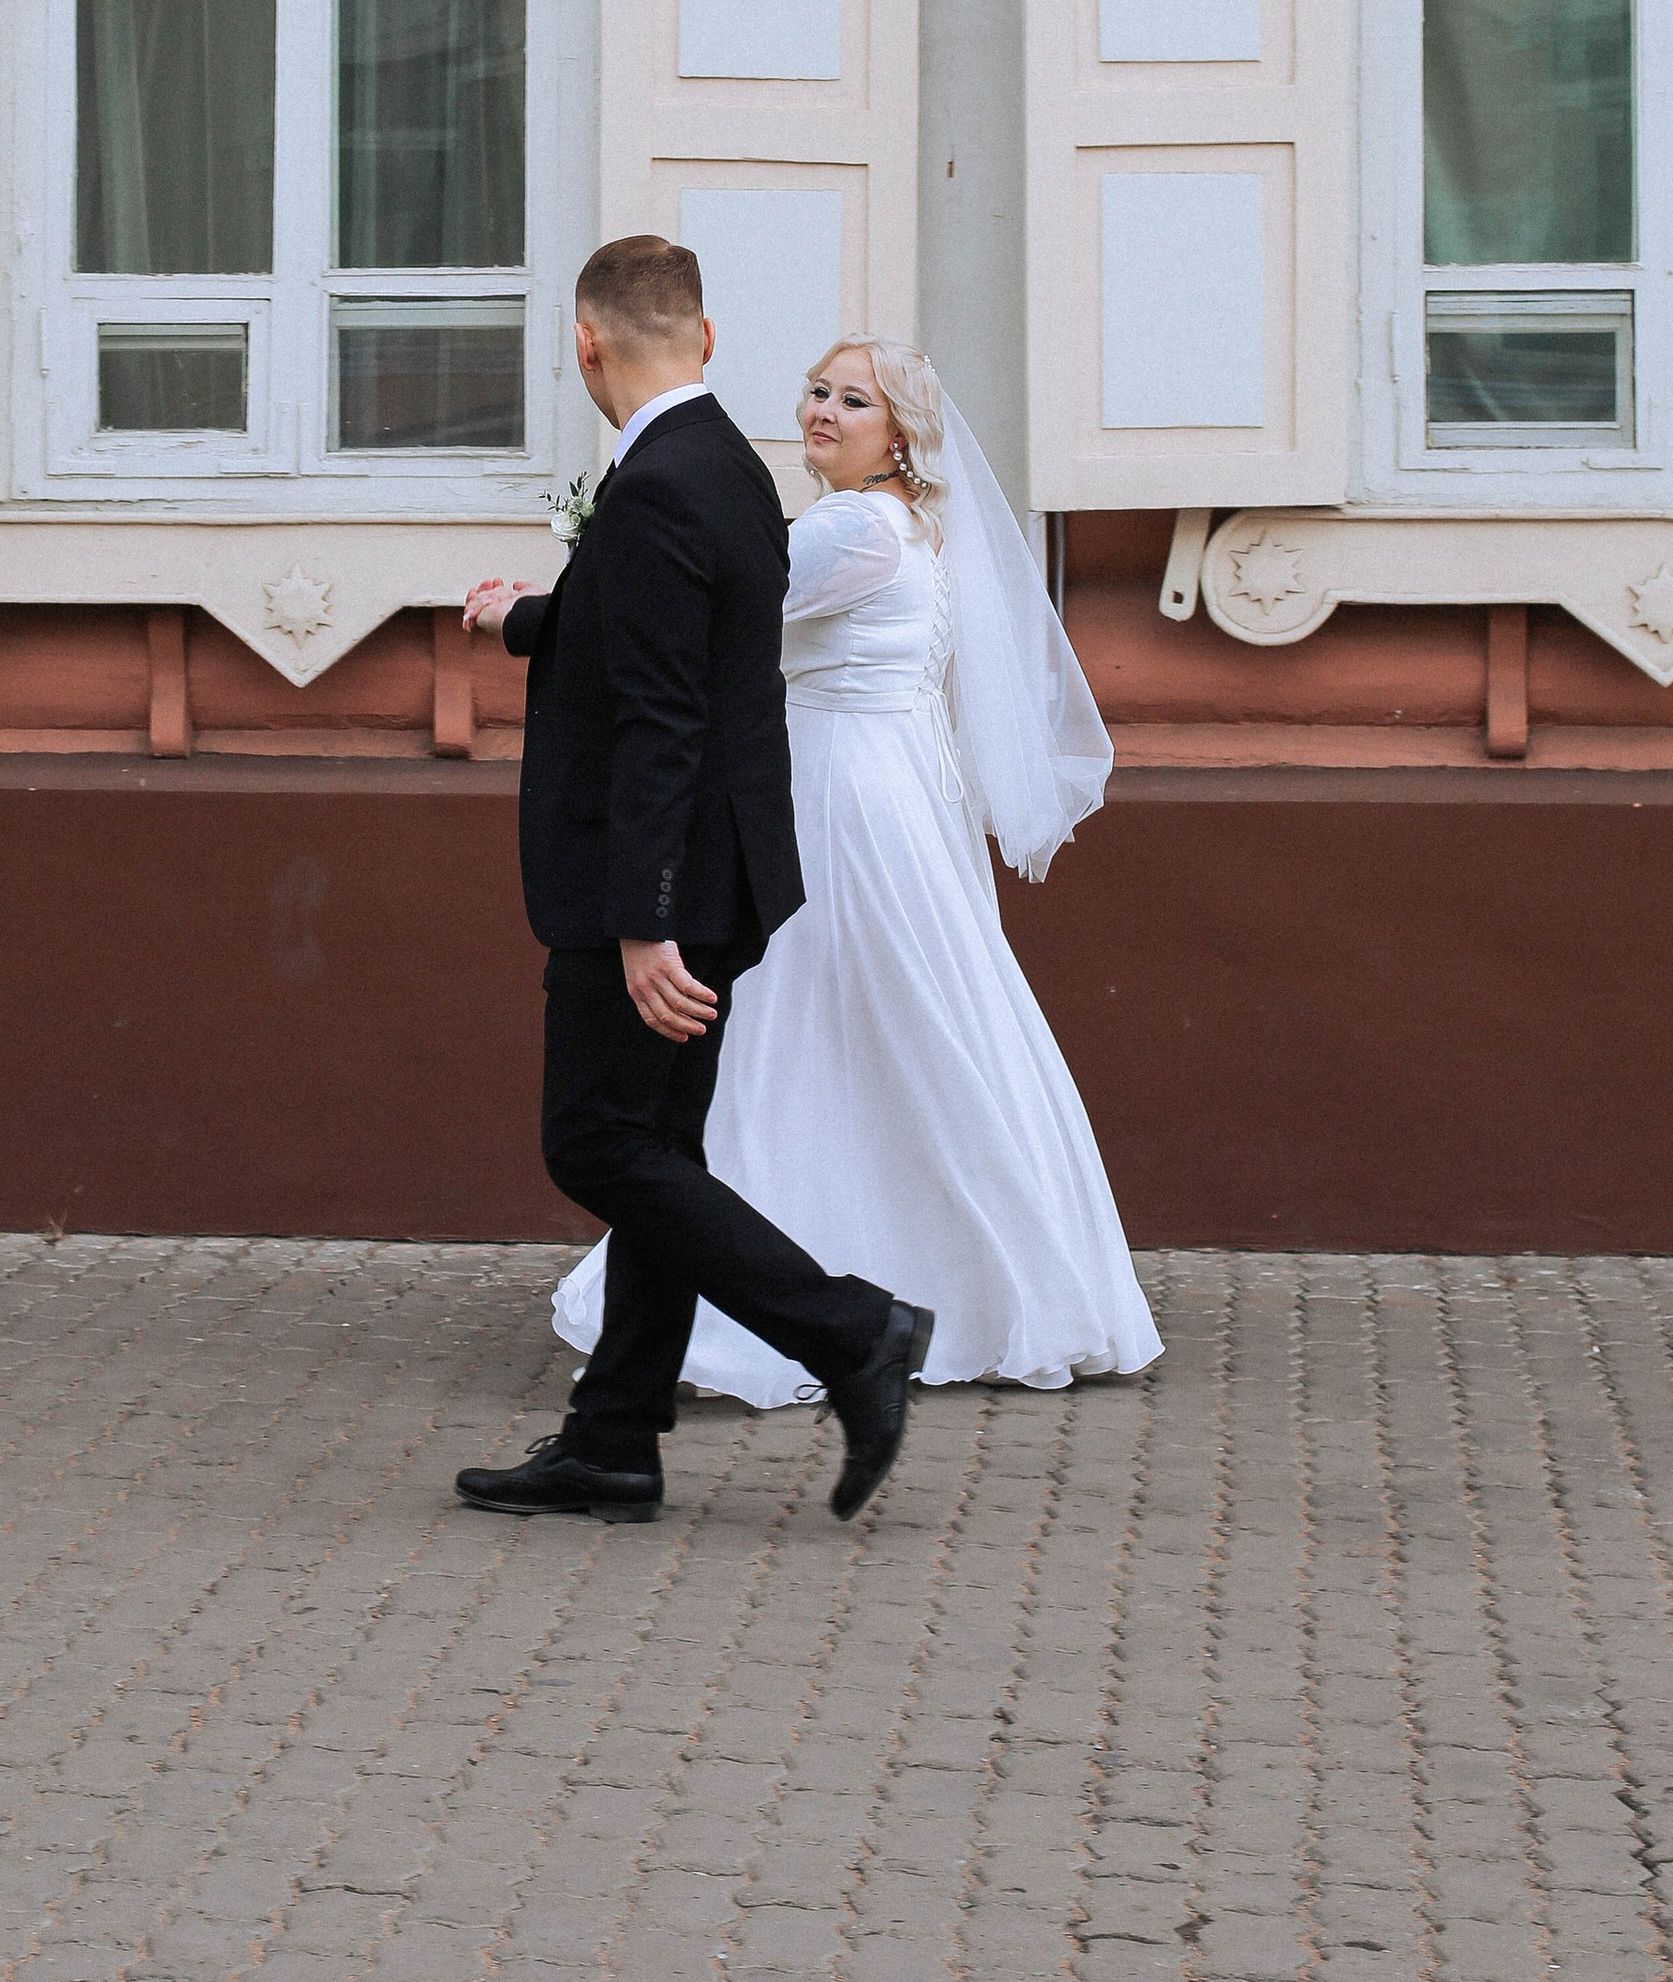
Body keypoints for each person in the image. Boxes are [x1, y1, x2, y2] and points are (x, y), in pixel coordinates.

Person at [553, 339, 1160, 1402]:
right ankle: (953, 1274)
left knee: (803, 1028)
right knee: (900, 1027)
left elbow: (714, 623)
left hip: (835, 799)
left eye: (853, 400)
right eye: (817, 392)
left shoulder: (848, 529)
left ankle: (809, 1293)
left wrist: (588, 582)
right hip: (884, 787)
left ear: (899, 432)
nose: (822, 411)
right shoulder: (909, 526)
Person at [454, 237, 935, 1527]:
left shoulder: (660, 482)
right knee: (656, 1145)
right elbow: (677, 629)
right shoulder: (720, 462)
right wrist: (537, 618)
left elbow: (662, 716)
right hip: (723, 865)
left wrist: (640, 922)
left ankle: (852, 1332)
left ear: (583, 347)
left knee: (596, 1142)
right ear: (708, 341)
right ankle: (613, 1443)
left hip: (661, 883)